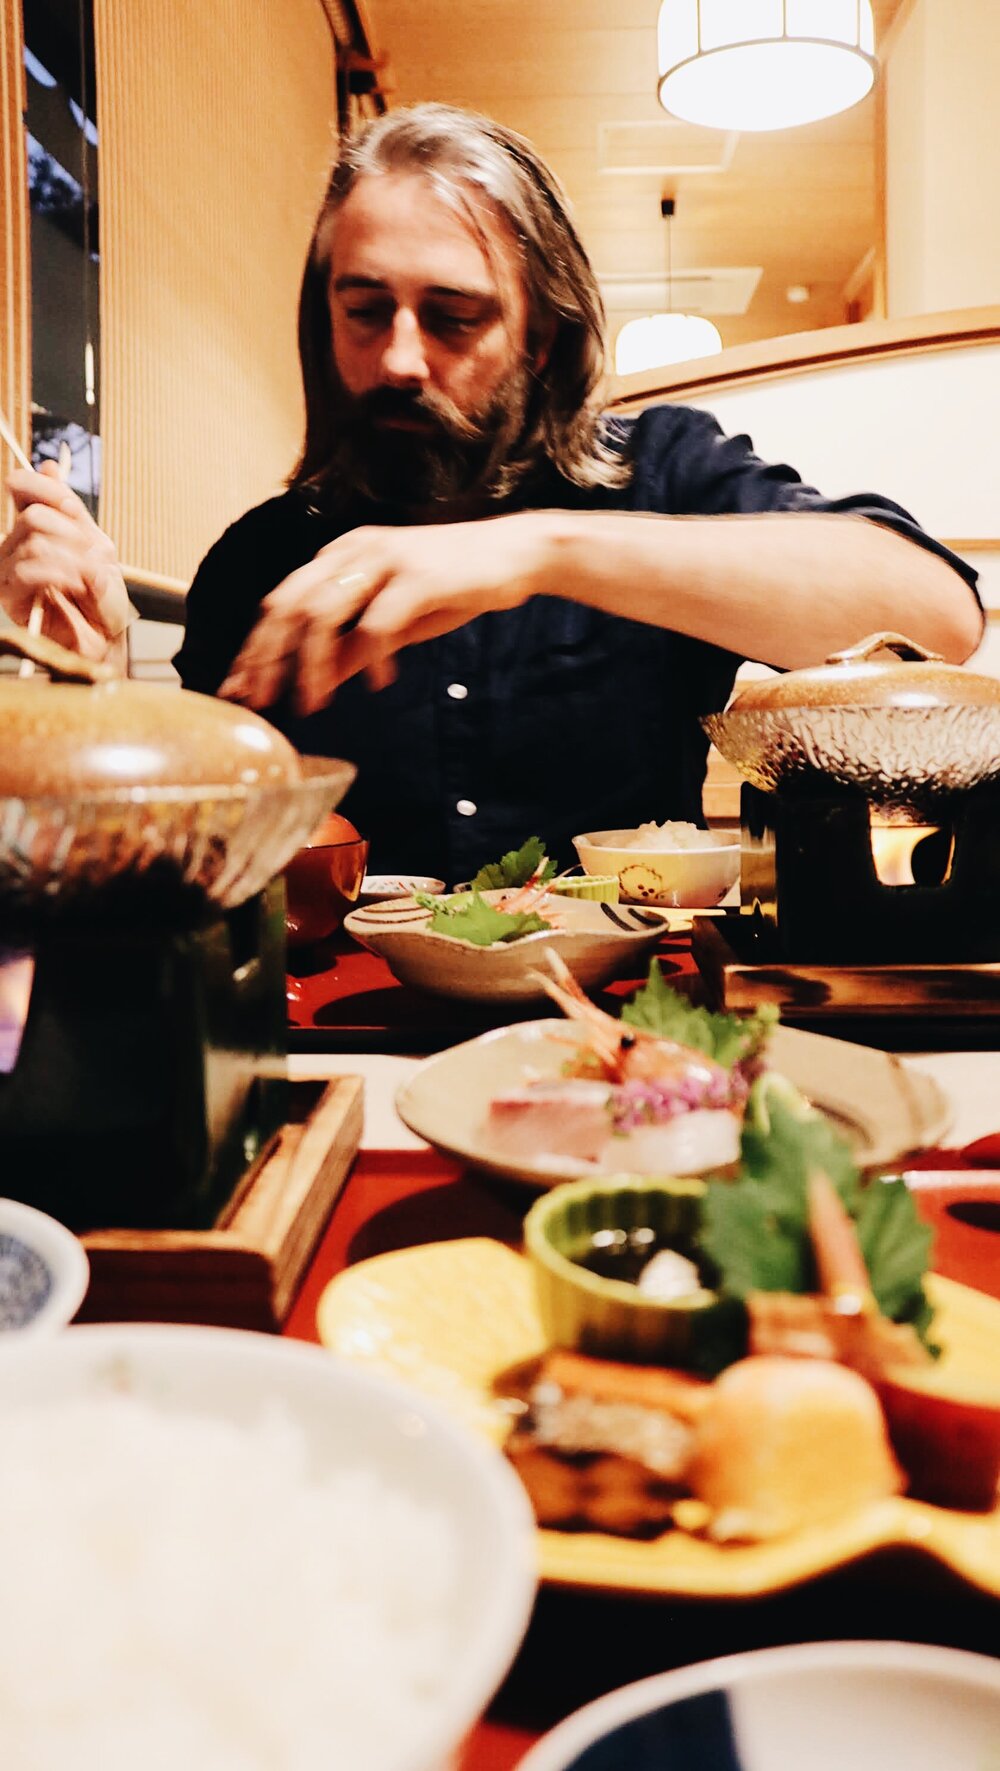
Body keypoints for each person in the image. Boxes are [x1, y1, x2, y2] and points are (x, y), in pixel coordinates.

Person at [1, 105, 982, 879]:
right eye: (364, 310)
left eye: (454, 317)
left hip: (625, 1051)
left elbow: (935, 614)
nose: (396, 359)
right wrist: (86, 684)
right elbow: (186, 855)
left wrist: (534, 550)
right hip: (348, 1052)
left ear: (541, 338)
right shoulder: (261, 556)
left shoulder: (659, 473)